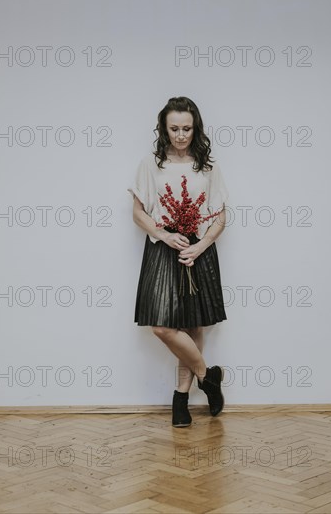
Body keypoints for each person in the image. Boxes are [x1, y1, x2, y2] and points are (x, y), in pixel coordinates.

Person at [127, 96, 229, 428]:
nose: (181, 135)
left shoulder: (207, 166)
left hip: (197, 248)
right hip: (163, 246)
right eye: (174, 128)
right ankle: (207, 376)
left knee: (194, 325)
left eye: (187, 128)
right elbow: (137, 213)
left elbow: (220, 215)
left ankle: (181, 400)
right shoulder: (150, 164)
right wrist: (165, 235)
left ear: (195, 127)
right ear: (164, 128)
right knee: (163, 326)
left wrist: (201, 247)